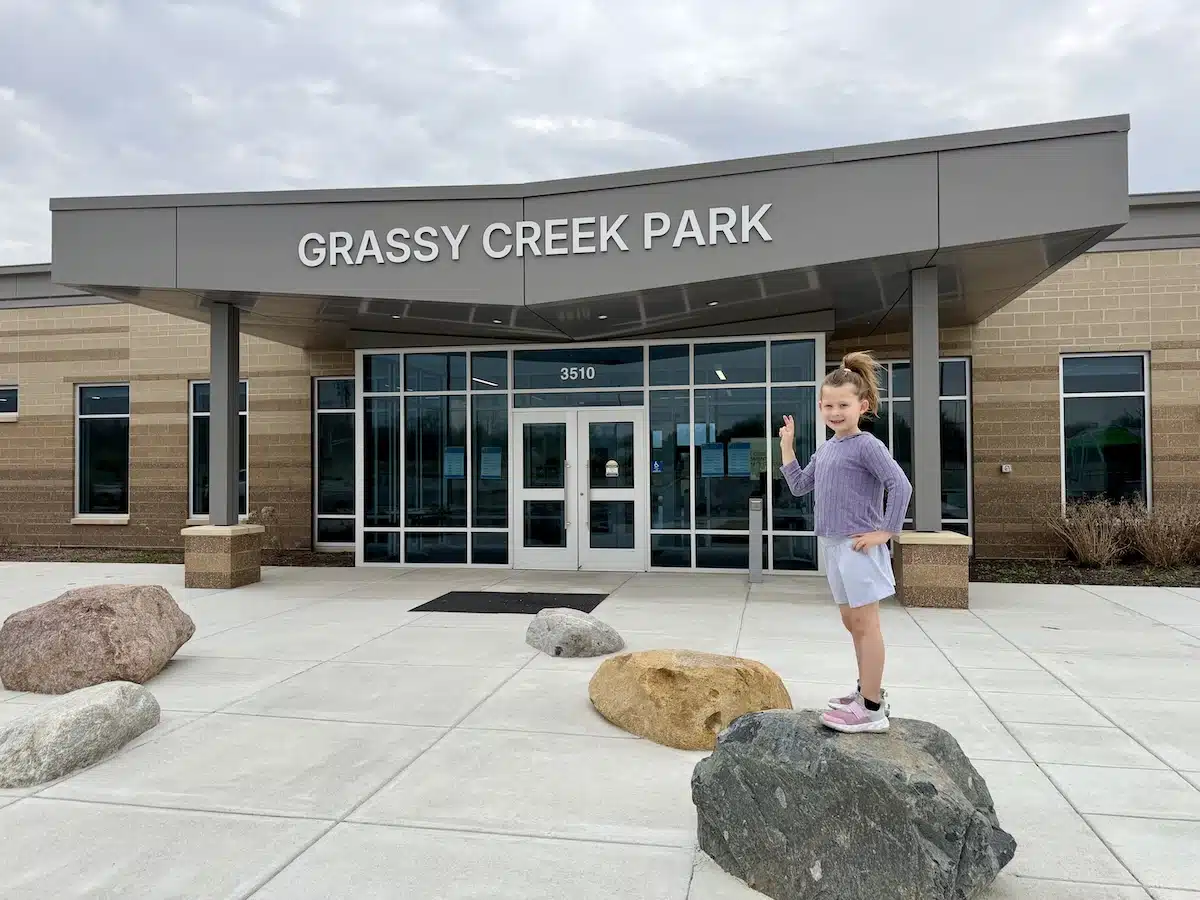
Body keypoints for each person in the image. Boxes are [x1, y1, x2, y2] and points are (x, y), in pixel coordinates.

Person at [778, 351, 912, 734]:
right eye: (828, 405)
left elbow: (899, 485)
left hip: (859, 546)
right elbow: (801, 485)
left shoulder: (866, 444)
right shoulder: (828, 447)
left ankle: (871, 708)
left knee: (867, 625)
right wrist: (787, 447)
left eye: (843, 405)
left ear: (862, 406)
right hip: (834, 545)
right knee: (851, 622)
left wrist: (886, 530)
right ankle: (864, 692)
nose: (835, 412)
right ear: (821, 407)